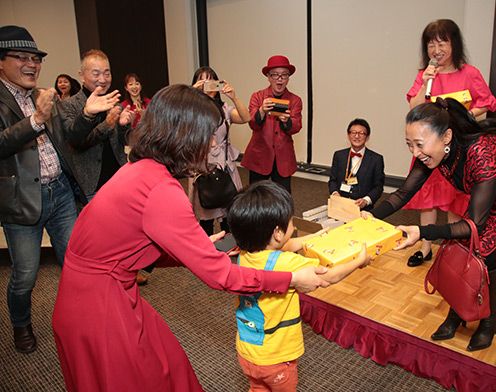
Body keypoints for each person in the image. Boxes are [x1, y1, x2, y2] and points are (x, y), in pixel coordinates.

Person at [51, 84, 330, 392]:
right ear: (185, 135)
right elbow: (222, 277)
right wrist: (290, 279)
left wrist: (195, 250)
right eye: (208, 133)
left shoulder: (141, 168)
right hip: (100, 308)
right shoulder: (162, 190)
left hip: (85, 293)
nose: (213, 142)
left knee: (166, 366)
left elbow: (128, 247)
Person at [367, 98, 496, 352]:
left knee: (484, 250)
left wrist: (422, 232)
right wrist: (370, 217)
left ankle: (489, 319)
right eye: (409, 144)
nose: (415, 152)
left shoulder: (483, 153)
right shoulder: (432, 153)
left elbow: (474, 227)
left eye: (419, 144)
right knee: (457, 247)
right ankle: (458, 311)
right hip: (494, 198)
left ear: (446, 137)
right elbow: (403, 193)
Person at [228, 181, 373, 391]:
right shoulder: (287, 263)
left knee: (258, 388)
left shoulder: (244, 255)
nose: (294, 226)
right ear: (277, 232)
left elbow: (285, 245)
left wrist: (314, 237)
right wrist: (359, 261)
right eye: (291, 222)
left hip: (248, 353)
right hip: (276, 359)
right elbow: (331, 276)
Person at [0, 25, 87, 354]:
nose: (31, 64)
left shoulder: (42, 96)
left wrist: (90, 115)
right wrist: (36, 119)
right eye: (21, 57)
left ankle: (79, 318)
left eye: (36, 58)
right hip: (22, 201)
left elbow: (71, 134)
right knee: (25, 275)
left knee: (75, 264)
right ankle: (21, 324)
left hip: (60, 193)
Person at [403, 19, 496, 267]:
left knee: (455, 200)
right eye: (431, 44)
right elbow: (414, 108)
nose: (436, 50)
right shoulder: (425, 75)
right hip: (429, 149)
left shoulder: (470, 73)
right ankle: (425, 248)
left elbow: (487, 102)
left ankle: (450, 250)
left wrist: (463, 117)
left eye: (441, 43)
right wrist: (425, 82)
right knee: (428, 200)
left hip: (457, 149)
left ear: (454, 43)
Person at [61, 49, 135, 202]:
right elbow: (77, 143)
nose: (102, 79)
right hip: (92, 186)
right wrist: (107, 125)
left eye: (107, 74)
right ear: (81, 75)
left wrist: (123, 126)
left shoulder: (114, 103)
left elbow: (125, 141)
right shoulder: (69, 105)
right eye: (96, 74)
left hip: (120, 179)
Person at [189, 66, 250, 235]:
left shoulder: (224, 108)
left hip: (225, 165)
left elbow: (246, 118)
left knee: (230, 215)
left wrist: (234, 96)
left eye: (211, 80)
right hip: (202, 166)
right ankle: (206, 249)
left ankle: (231, 248)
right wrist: (191, 95)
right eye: (202, 80)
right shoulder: (191, 109)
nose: (207, 84)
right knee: (206, 216)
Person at [241, 55, 302, 193]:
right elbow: (252, 124)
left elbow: (297, 126)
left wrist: (287, 122)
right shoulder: (257, 97)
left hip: (283, 158)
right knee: (256, 196)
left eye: (284, 75)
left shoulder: (295, 100)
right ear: (268, 77)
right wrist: (261, 111)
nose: (280, 79)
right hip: (259, 156)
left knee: (283, 197)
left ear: (288, 78)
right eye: (275, 75)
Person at [328, 118, 385, 212]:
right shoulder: (339, 155)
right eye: (353, 132)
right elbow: (333, 180)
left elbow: (378, 187)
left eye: (361, 133)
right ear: (348, 135)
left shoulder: (376, 159)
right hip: (340, 206)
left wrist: (366, 200)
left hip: (363, 210)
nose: (357, 136)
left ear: (367, 137)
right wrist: (335, 193)